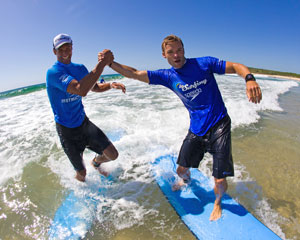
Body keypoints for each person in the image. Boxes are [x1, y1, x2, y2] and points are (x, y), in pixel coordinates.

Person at [105, 34, 262, 221]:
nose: (176, 55)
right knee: (180, 170)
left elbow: (237, 66)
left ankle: (218, 202)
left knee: (219, 179)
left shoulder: (203, 64)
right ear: (164, 55)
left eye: (179, 50)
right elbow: (134, 73)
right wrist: (110, 63)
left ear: (184, 50)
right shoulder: (167, 76)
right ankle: (186, 180)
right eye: (171, 52)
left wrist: (249, 78)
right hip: (196, 129)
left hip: (220, 124)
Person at [46, 33, 126, 182]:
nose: (65, 52)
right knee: (82, 174)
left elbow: (94, 87)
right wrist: (102, 63)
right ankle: (84, 195)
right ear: (54, 52)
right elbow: (80, 90)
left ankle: (95, 162)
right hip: (67, 130)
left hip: (84, 124)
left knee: (112, 155)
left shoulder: (80, 68)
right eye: (60, 49)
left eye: (67, 48)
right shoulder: (53, 73)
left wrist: (109, 85)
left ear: (72, 48)